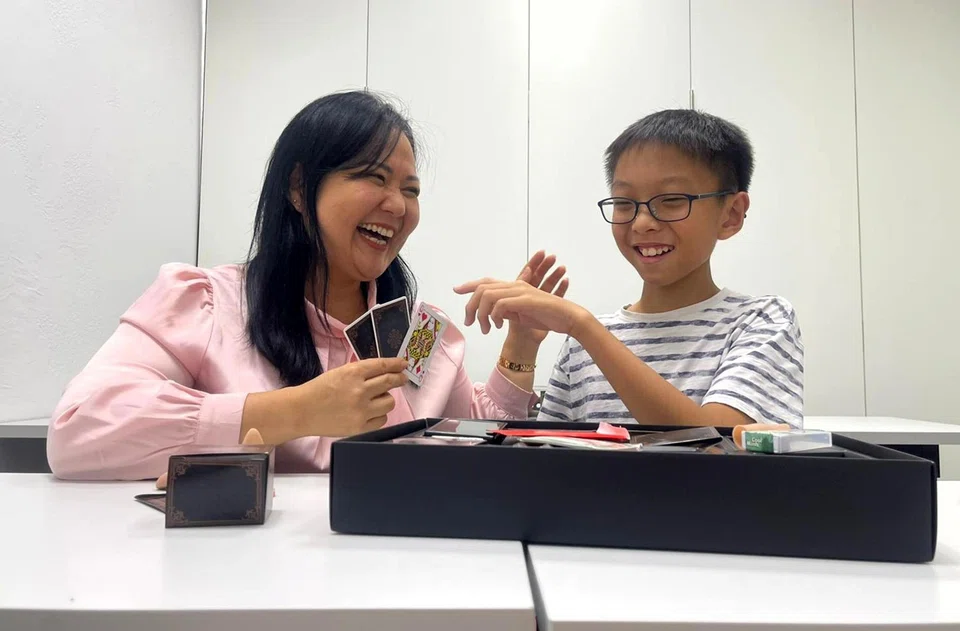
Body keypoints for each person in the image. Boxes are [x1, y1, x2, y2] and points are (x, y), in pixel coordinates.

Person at [47, 90, 568, 480]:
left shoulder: (420, 332)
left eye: (410, 189)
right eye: (374, 177)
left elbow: (474, 435)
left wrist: (520, 347)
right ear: (300, 188)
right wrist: (296, 411)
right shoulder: (207, 301)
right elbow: (79, 427)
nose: (398, 205)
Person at [456, 109, 803, 428]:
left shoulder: (761, 320)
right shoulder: (581, 346)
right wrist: (523, 347)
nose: (642, 223)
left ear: (731, 214)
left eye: (671, 200)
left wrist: (582, 325)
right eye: (625, 203)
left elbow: (721, 444)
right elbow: (548, 462)